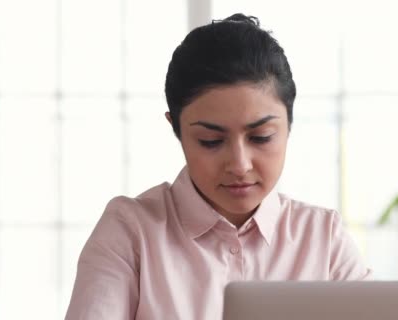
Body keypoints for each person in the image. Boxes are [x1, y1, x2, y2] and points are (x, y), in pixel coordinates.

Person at [65, 13, 371, 320]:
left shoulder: (323, 237)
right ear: (177, 130)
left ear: (289, 124)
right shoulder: (131, 232)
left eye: (261, 137)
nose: (239, 165)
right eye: (211, 140)